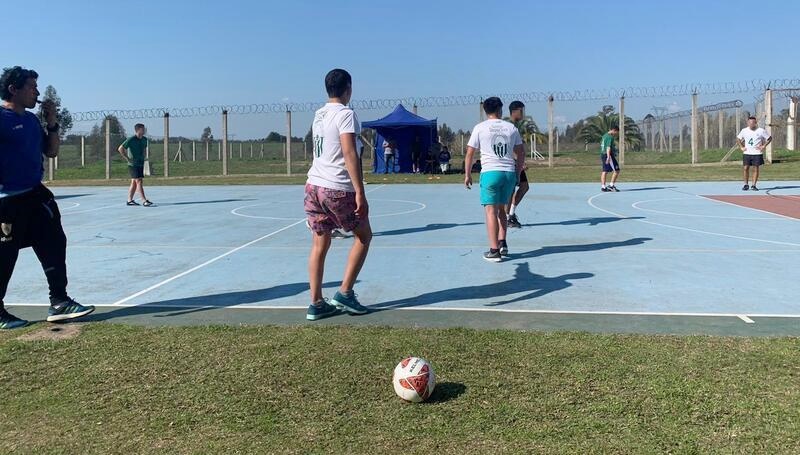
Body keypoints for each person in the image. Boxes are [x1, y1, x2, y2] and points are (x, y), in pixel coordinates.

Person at [0, 66, 95, 329]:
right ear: (13, 89)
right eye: (31, 87)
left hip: (35, 195)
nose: (37, 92)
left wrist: (51, 122)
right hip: (6, 202)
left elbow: (51, 151)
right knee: (4, 256)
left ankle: (60, 302)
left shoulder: (31, 121)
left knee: (54, 242)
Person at [304, 68, 371, 320]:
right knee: (364, 235)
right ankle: (345, 292)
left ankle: (316, 302)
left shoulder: (318, 114)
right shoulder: (345, 114)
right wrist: (359, 191)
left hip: (313, 186)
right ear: (348, 88)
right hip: (337, 186)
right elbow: (349, 152)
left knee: (319, 243)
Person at [464, 97, 524, 262]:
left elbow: (470, 153)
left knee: (490, 211)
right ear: (500, 110)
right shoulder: (511, 128)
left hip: (491, 172)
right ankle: (503, 243)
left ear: (485, 110)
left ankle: (494, 250)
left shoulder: (480, 128)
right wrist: (517, 172)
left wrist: (467, 174)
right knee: (502, 211)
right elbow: (521, 152)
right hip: (508, 173)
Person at [505, 100, 530, 228]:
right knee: (511, 190)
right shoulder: (509, 126)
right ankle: (508, 217)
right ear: (516, 111)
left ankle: (510, 214)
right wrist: (519, 161)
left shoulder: (515, 126)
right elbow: (509, 147)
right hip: (513, 162)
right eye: (522, 110)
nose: (523, 113)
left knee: (524, 186)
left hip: (516, 161)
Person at [117, 123, 153, 206]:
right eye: (143, 129)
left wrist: (145, 156)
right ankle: (144, 200)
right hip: (133, 164)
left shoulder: (145, 139)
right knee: (139, 181)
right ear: (138, 130)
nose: (145, 130)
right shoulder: (131, 139)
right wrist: (128, 159)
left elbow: (144, 149)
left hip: (141, 163)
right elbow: (120, 149)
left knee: (134, 182)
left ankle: (129, 200)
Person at [736, 116, 772, 191]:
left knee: (755, 168)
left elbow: (769, 138)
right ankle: (746, 184)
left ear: (755, 123)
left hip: (757, 153)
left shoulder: (761, 131)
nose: (751, 124)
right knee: (746, 168)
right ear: (748, 123)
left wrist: (763, 146)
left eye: (753, 123)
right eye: (750, 123)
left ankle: (754, 185)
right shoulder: (744, 130)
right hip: (747, 153)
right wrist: (741, 147)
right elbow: (738, 139)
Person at [600, 125, 620, 192]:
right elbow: (608, 147)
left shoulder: (604, 135)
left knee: (604, 171)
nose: (616, 134)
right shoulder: (609, 137)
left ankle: (603, 187)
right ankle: (611, 186)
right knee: (617, 170)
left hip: (603, 154)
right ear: (614, 130)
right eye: (616, 132)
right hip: (608, 155)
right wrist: (608, 157)